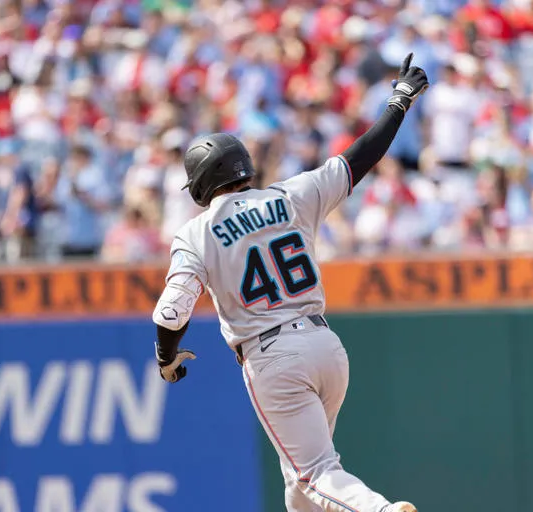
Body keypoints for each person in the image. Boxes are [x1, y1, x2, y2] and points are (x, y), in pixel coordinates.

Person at [150, 54, 429, 512]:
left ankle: (380, 510)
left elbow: (170, 312)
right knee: (300, 489)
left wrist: (166, 358)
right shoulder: (293, 195)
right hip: (326, 348)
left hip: (273, 358)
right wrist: (398, 101)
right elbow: (360, 157)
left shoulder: (195, 233)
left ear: (200, 182)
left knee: (315, 473)